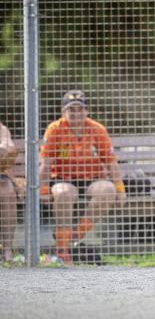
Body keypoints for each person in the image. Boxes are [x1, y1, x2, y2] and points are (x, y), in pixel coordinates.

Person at [39, 90, 126, 264]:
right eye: (72, 109)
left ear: (87, 111)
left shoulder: (97, 129)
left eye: (80, 109)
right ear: (64, 112)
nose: (76, 113)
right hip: (63, 177)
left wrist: (120, 188)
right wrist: (43, 189)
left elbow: (110, 162)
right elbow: (46, 163)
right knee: (63, 193)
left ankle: (76, 234)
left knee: (107, 190)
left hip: (92, 177)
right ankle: (62, 251)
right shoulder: (54, 129)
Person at [0, 122, 19, 262]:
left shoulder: (2, 129)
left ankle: (7, 250)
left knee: (8, 191)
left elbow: (8, 144)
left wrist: (5, 148)